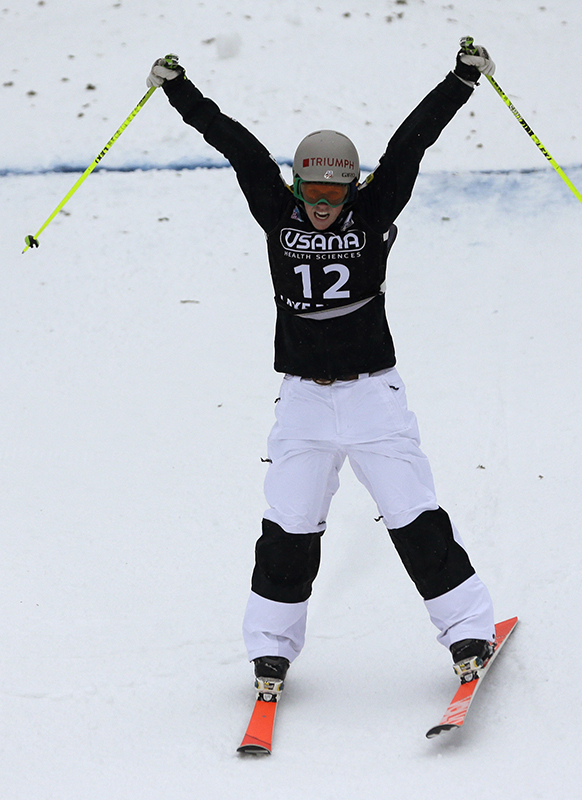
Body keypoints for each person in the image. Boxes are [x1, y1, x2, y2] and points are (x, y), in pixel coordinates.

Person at [147, 39, 498, 693]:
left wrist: (460, 80)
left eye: (334, 189)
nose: (322, 201)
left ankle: (469, 633)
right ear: (296, 183)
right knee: (288, 526)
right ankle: (271, 650)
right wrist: (178, 89)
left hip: (372, 399)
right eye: (311, 188)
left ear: (353, 185)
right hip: (303, 403)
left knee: (413, 517)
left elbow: (409, 145)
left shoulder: (374, 208)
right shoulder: (275, 211)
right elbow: (237, 145)